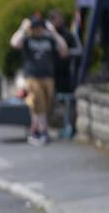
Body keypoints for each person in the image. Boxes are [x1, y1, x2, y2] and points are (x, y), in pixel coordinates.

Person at [9, 15, 69, 145]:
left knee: (45, 105)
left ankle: (35, 131)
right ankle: (43, 131)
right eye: (35, 27)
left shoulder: (49, 38)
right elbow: (14, 43)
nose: (38, 30)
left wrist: (53, 32)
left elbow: (64, 49)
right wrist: (22, 28)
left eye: (40, 27)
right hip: (32, 76)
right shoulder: (27, 38)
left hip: (48, 76)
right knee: (38, 100)